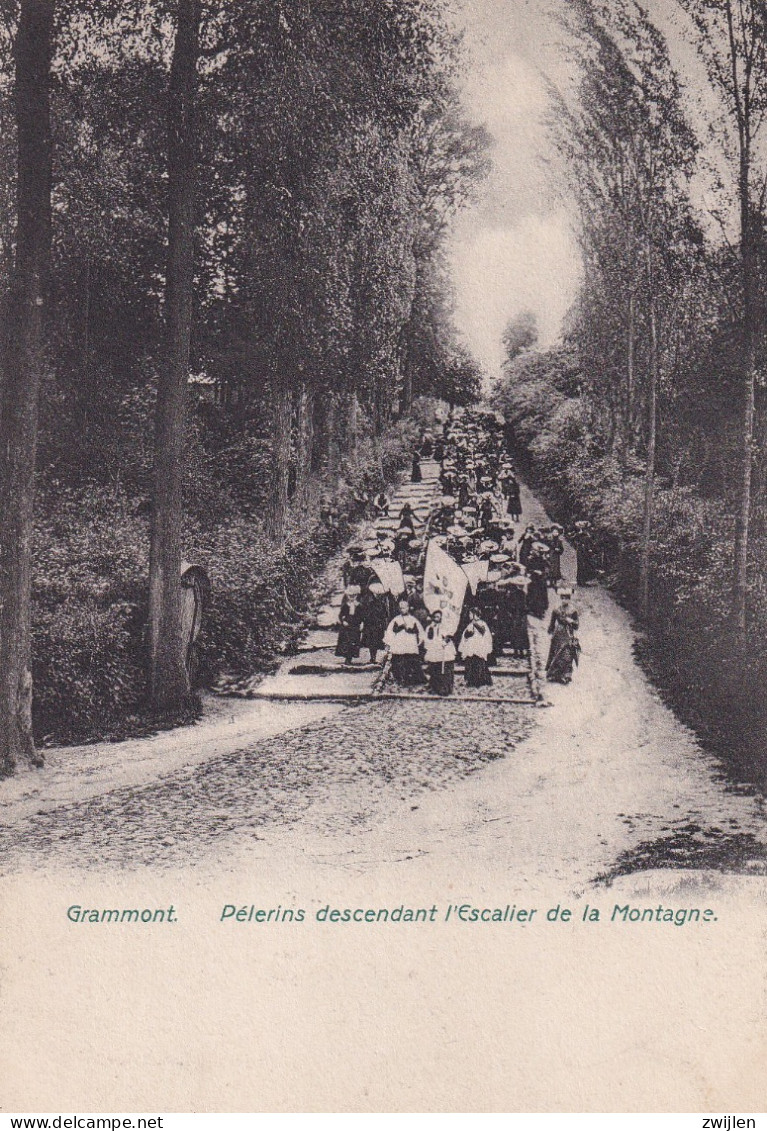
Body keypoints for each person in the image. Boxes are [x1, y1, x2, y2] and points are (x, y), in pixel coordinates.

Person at [383, 598, 426, 686]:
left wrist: (420, 640)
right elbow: (389, 631)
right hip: (399, 643)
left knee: (411, 660)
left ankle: (412, 679)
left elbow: (420, 631)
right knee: (398, 661)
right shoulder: (396, 619)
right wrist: (389, 643)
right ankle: (400, 679)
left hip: (410, 643)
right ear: (399, 609)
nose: (403, 609)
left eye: (405, 607)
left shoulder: (413, 619)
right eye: (401, 608)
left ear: (408, 608)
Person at [545, 590, 581, 684]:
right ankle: (554, 674)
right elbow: (552, 622)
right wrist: (550, 631)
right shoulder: (556, 609)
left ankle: (566, 675)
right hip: (558, 632)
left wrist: (571, 621)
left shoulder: (573, 611)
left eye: (566, 598)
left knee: (567, 654)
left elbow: (577, 625)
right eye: (563, 598)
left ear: (569, 599)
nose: (564, 600)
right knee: (557, 653)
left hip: (568, 633)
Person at [423, 610, 456, 696]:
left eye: (439, 616)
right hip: (435, 650)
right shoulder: (430, 627)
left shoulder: (444, 626)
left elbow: (448, 636)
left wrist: (445, 641)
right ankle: (434, 687)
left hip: (445, 650)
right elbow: (428, 639)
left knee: (445, 669)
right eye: (436, 617)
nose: (437, 618)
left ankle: (445, 688)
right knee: (435, 668)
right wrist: (432, 629)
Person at [459, 608, 493, 687]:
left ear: (475, 615)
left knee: (478, 661)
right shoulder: (470, 624)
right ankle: (470, 680)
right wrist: (467, 635)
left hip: (478, 646)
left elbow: (483, 632)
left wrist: (475, 624)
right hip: (471, 646)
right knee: (470, 662)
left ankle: (480, 680)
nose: (469, 616)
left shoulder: (482, 623)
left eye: (470, 614)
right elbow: (465, 635)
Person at [360, 582, 389, 665]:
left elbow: (385, 614)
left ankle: (374, 658)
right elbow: (364, 613)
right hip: (370, 624)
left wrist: (383, 624)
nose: (378, 595)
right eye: (377, 594)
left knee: (376, 641)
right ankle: (372, 658)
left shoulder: (381, 602)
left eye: (379, 594)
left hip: (378, 625)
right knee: (371, 641)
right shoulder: (368, 601)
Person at [335, 586, 363, 665]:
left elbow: (362, 616)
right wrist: (343, 621)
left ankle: (351, 657)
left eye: (354, 596)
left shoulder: (359, 606)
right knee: (346, 641)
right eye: (350, 596)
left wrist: (361, 623)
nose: (352, 598)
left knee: (354, 641)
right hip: (347, 625)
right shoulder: (346, 605)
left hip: (355, 625)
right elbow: (340, 615)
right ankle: (347, 658)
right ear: (347, 596)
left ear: (356, 596)